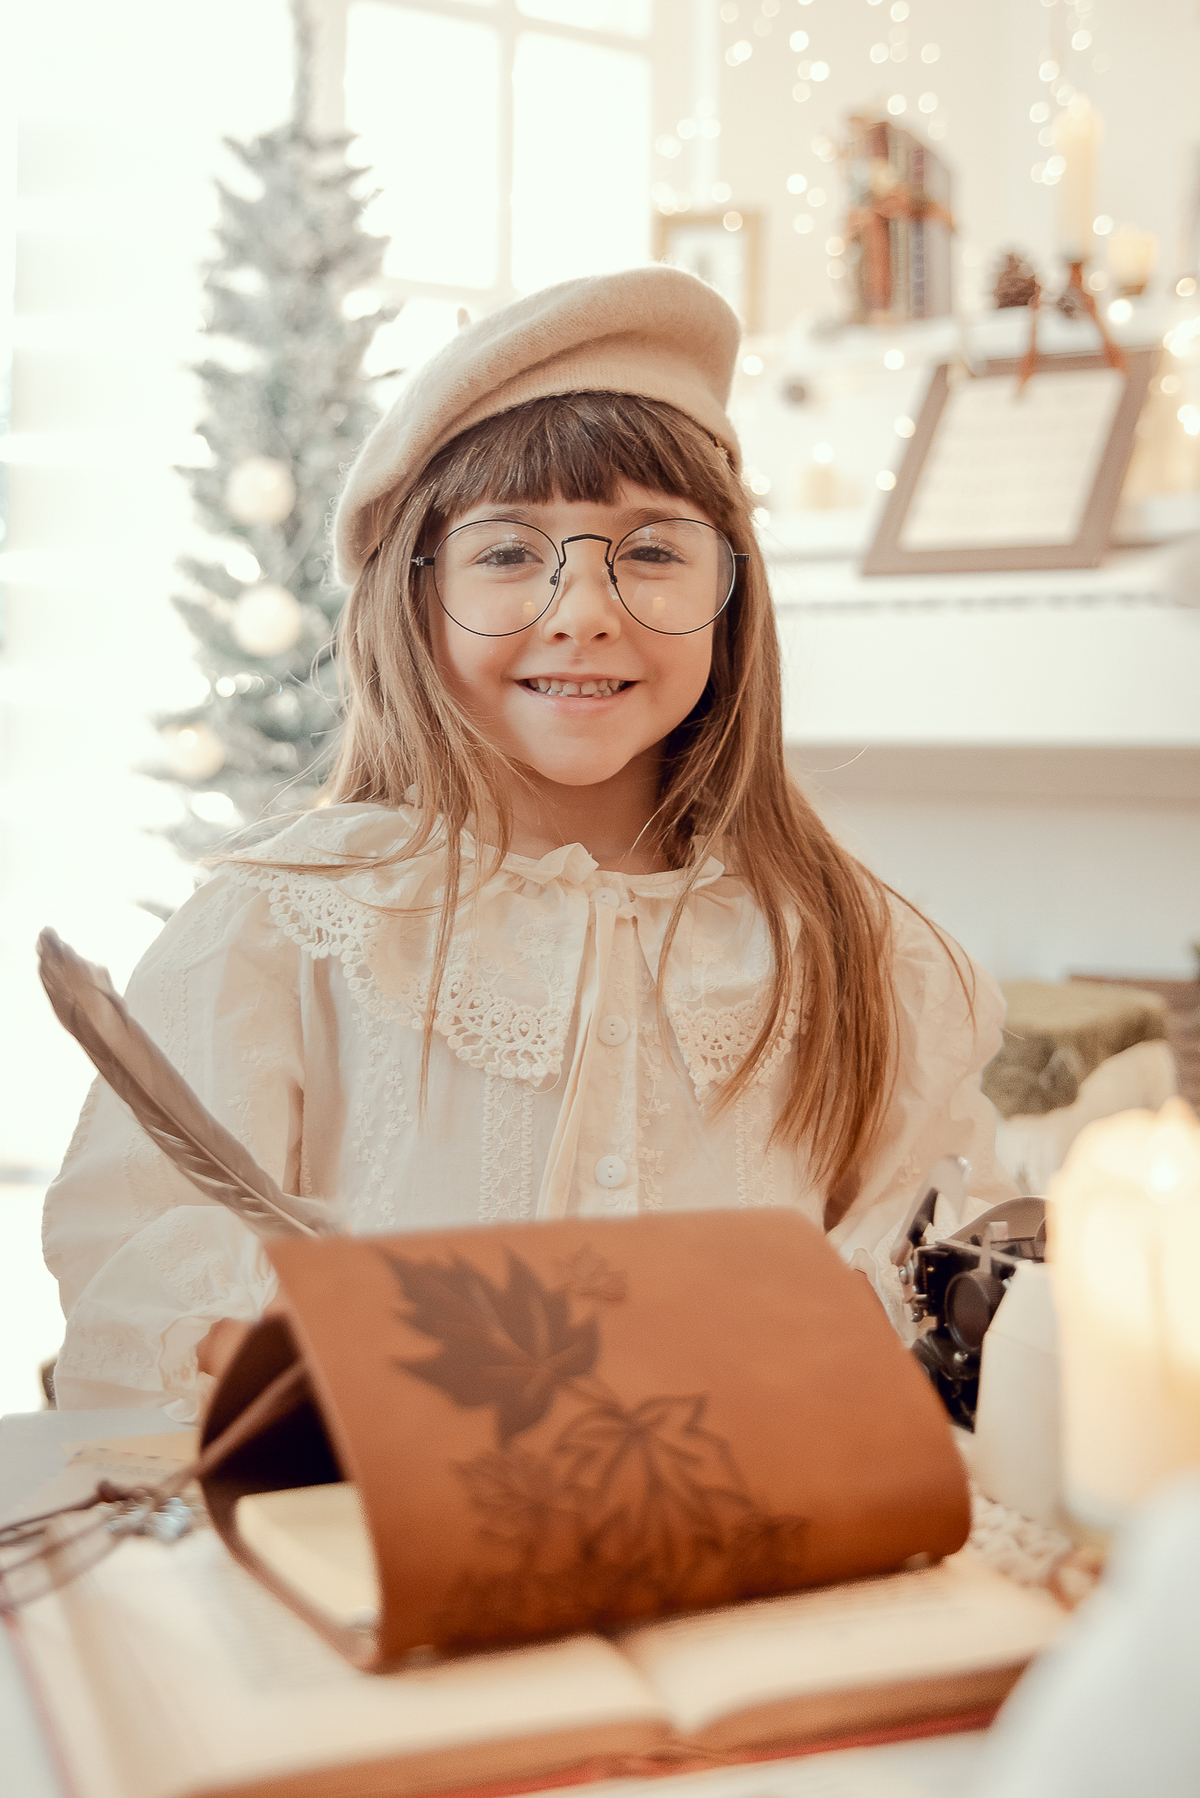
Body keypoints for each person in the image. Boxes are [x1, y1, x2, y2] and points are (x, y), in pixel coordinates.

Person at [43, 266, 1015, 1421]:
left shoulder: (852, 951)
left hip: (751, 1554)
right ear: (419, 598)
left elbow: (934, 1268)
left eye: (652, 551)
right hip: (381, 1560)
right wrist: (288, 1341)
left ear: (730, 595)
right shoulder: (288, 926)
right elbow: (127, 1265)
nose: (584, 610)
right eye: (508, 553)